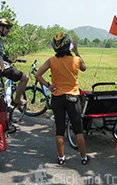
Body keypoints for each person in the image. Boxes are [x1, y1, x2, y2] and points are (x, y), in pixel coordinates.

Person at [35, 32, 89, 165]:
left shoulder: (52, 60)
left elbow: (37, 75)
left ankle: (61, 158)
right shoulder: (76, 60)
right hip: (73, 98)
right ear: (68, 45)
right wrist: (76, 52)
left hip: (57, 98)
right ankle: (83, 158)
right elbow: (84, 68)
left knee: (60, 129)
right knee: (78, 129)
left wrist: (49, 85)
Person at [0, 17, 29, 106]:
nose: (9, 30)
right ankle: (17, 100)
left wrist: (7, 59)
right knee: (25, 78)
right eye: (7, 28)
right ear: (0, 27)